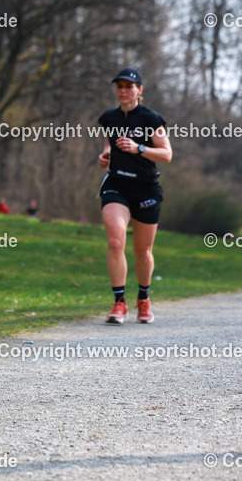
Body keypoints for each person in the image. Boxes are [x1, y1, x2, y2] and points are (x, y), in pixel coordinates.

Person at [97, 67, 172, 324]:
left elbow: (166, 154)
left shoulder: (150, 119)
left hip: (146, 188)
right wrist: (105, 155)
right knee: (116, 242)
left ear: (139, 90)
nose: (123, 91)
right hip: (116, 184)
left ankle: (143, 298)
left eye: (129, 86)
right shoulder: (109, 118)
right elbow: (109, 143)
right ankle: (119, 303)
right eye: (119, 86)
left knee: (143, 250)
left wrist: (139, 147)